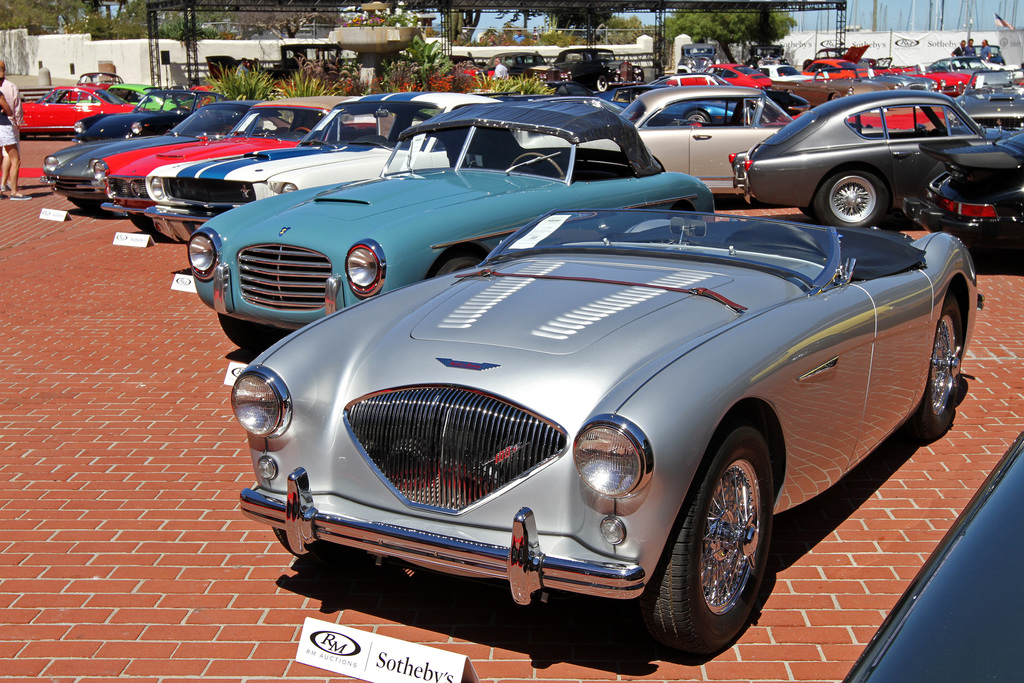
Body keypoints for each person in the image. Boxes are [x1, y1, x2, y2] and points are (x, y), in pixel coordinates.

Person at [0, 59, 25, 200]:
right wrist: (17, 121)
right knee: (14, 157)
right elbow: (12, 109)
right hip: (6, 124)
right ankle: (13, 190)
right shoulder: (9, 87)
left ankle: (3, 184)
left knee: (3, 155)